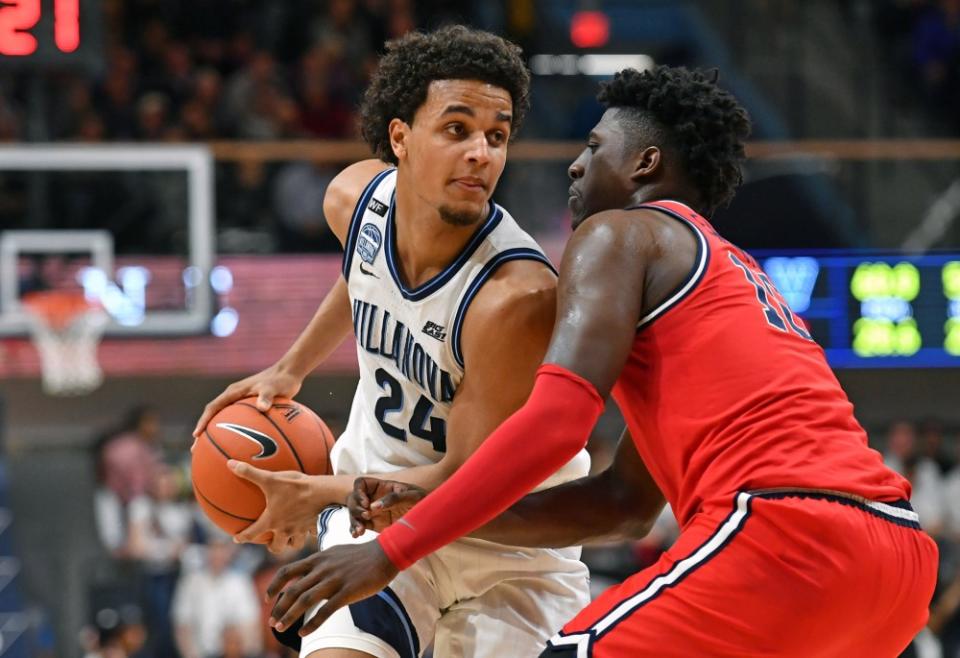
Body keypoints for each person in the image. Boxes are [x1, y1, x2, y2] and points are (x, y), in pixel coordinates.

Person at [264, 66, 940, 657]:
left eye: (593, 147)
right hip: (896, 564)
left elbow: (557, 423)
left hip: (787, 531)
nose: (576, 166)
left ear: (643, 164)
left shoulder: (620, 233)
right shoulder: (723, 279)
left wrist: (391, 551)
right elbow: (622, 506)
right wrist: (433, 506)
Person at [193, 25, 591, 658]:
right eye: (456, 129)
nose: (481, 153)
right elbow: (363, 272)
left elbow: (462, 481)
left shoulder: (514, 299)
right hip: (374, 521)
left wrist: (308, 493)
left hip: (507, 549)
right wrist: (291, 368)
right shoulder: (352, 201)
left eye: (497, 135)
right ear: (400, 137)